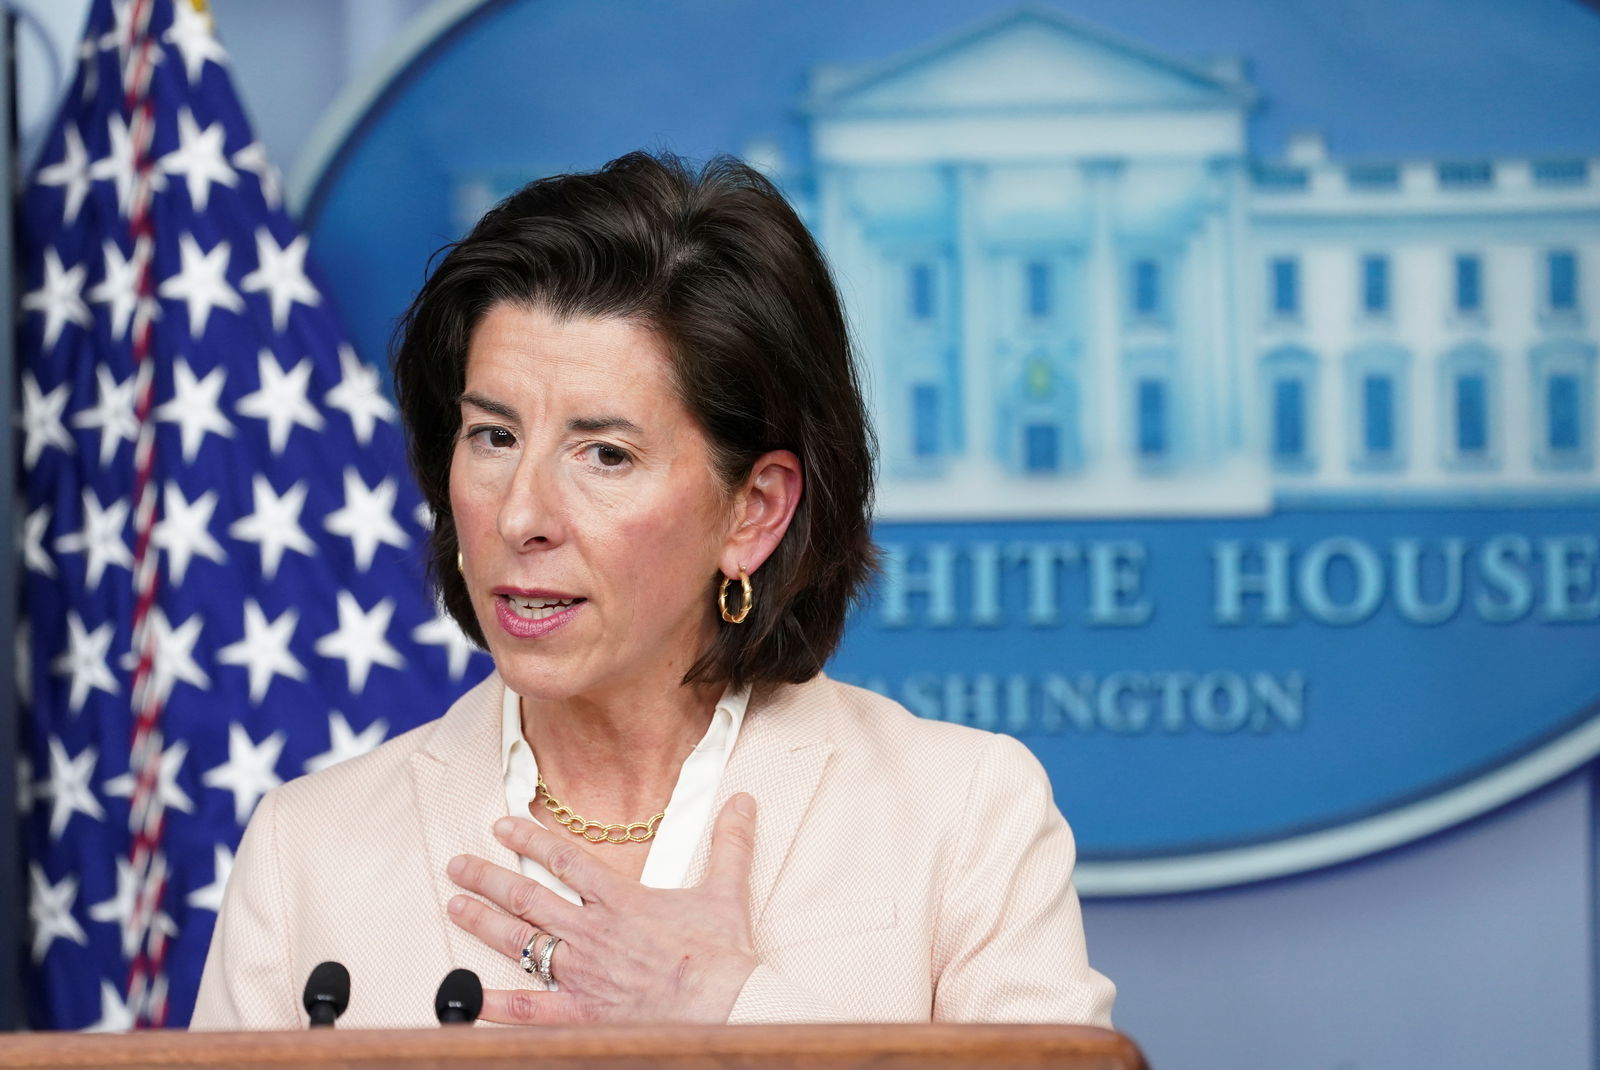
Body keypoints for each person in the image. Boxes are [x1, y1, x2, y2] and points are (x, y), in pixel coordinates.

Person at [191, 152, 1115, 1029]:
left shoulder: (960, 813)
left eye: (605, 454)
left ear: (752, 512)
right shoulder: (305, 849)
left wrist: (732, 1010)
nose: (522, 516)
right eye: (493, 437)